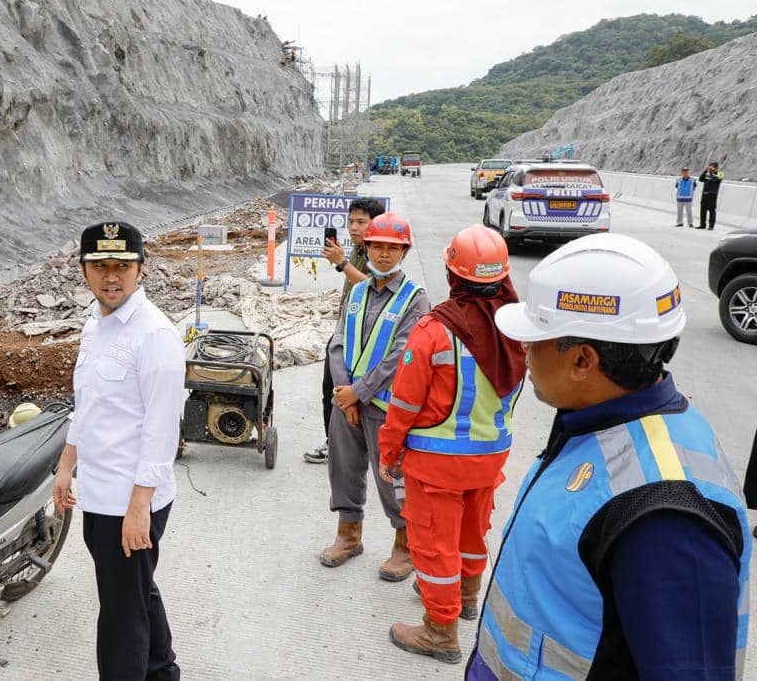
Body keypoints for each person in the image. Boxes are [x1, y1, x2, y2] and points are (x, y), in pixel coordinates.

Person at [467, 233, 750, 680]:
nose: (524, 351)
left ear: (583, 360)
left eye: (535, 339)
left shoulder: (666, 519)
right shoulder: (597, 425)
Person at [377, 226, 526, 664]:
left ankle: (439, 630)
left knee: (435, 544)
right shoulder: (515, 326)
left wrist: (389, 452)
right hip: (489, 457)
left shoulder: (436, 330)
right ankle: (467, 595)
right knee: (472, 533)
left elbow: (403, 403)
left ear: (452, 273)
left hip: (438, 463)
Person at [53, 221, 183, 681]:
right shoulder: (96, 324)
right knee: (135, 591)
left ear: (141, 270)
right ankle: (163, 671)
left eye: (122, 266)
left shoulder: (155, 336)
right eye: (100, 266)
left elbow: (161, 432)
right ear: (85, 272)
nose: (112, 276)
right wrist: (66, 465)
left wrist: (138, 508)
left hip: (130, 500)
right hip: (101, 494)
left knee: (120, 620)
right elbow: (87, 407)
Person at [320, 212, 431, 581]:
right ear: (365, 248)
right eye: (378, 246)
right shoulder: (357, 291)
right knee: (344, 468)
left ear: (404, 251)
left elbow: (403, 354)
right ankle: (348, 535)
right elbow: (337, 342)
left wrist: (360, 392)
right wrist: (343, 393)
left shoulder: (415, 299)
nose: (384, 254)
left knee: (391, 476)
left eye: (392, 248)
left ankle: (405, 546)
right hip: (347, 401)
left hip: (386, 406)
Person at [305, 197, 386, 464]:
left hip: (368, 335)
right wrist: (343, 261)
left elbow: (376, 288)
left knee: (360, 391)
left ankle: (366, 446)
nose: (354, 227)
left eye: (361, 222)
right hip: (346, 328)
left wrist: (342, 264)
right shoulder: (358, 249)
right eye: (351, 221)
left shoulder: (381, 252)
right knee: (332, 386)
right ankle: (334, 442)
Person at [698, 161, 724, 230]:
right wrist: (705, 171)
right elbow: (701, 179)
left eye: (712, 167)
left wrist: (712, 172)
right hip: (705, 194)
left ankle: (711, 225)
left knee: (712, 210)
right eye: (710, 167)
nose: (710, 169)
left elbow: (715, 179)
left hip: (712, 195)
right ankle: (702, 224)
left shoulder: (720, 174)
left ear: (716, 168)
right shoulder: (708, 174)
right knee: (703, 210)